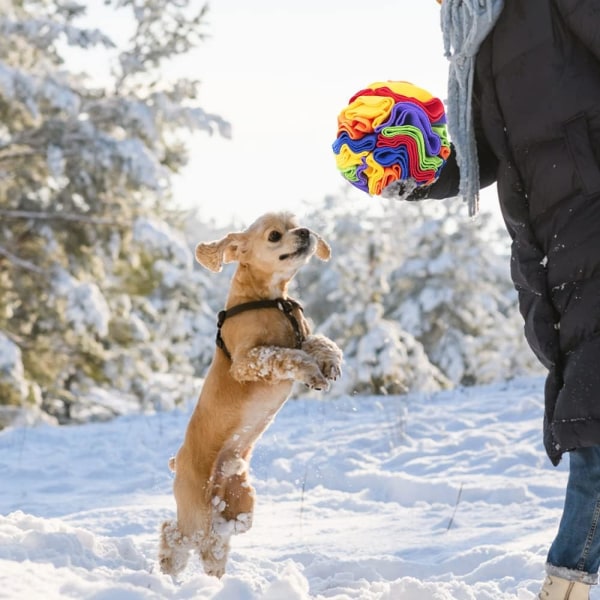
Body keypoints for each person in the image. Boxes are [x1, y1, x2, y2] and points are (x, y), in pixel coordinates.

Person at [388, 1, 600, 598]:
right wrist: (411, 173)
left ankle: (566, 585)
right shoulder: (475, 34)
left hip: (592, 221)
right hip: (551, 245)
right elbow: (480, 150)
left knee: (592, 417)